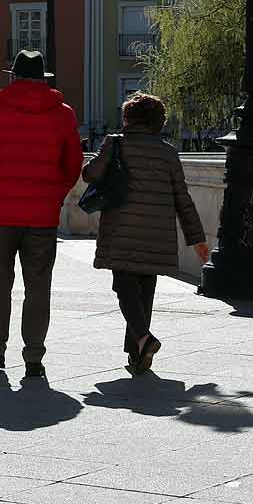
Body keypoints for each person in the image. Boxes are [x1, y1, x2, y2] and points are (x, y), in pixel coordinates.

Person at [0, 51, 83, 378]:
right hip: (42, 218)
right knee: (38, 287)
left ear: (13, 76)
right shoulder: (63, 115)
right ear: (43, 77)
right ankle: (34, 357)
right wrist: (53, 194)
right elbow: (73, 164)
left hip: (1, 215)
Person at [83, 93, 209, 374]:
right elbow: (182, 198)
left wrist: (97, 158)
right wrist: (197, 238)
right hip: (157, 234)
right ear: (158, 122)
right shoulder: (168, 153)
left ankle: (143, 338)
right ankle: (138, 355)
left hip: (121, 230)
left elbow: (90, 175)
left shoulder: (115, 143)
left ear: (128, 119)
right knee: (145, 291)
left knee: (125, 288)